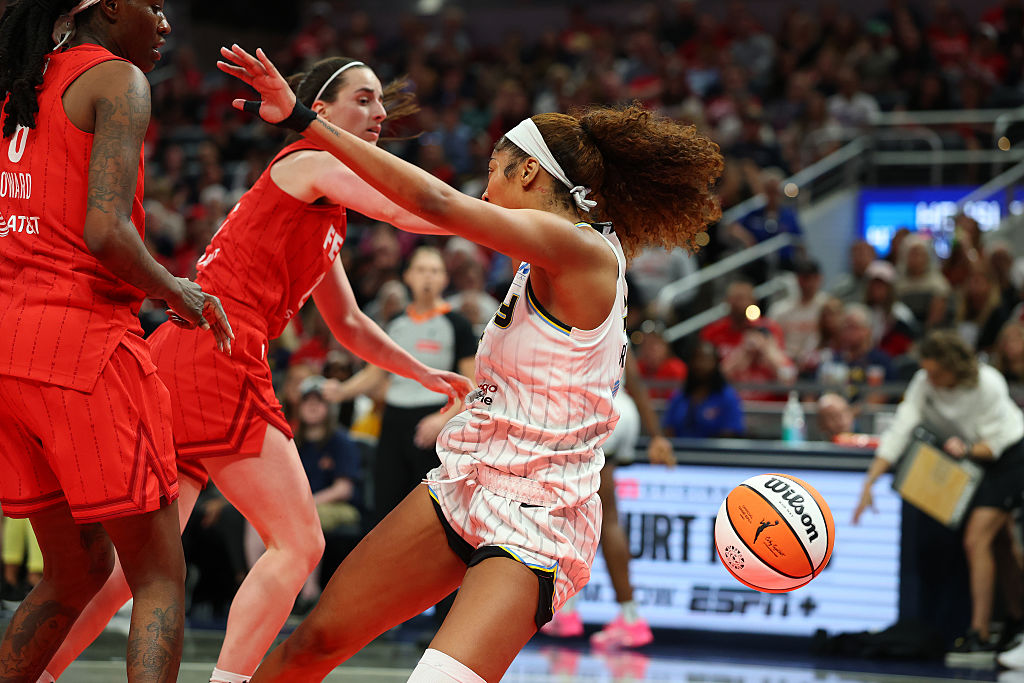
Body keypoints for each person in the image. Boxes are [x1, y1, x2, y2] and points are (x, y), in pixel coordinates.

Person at [217, 44, 722, 682]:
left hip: (538, 520)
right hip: (465, 482)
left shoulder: (582, 251)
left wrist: (306, 124)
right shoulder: (534, 262)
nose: (485, 187)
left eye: (495, 170)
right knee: (312, 644)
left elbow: (444, 208)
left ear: (531, 175)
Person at [42, 54, 473, 683]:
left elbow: (349, 326)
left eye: (382, 101)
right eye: (364, 98)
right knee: (299, 542)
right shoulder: (313, 161)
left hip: (184, 352)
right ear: (318, 111)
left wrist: (425, 374)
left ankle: (36, 672)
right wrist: (520, 224)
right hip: (220, 349)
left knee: (136, 568)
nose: (380, 113)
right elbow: (418, 209)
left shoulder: (321, 203)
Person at [0, 1, 233, 682]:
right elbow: (106, 231)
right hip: (81, 348)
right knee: (159, 574)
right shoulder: (116, 81)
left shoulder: (19, 81)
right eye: (153, 5)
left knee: (75, 574)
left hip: (9, 356)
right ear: (103, 6)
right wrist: (175, 289)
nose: (165, 22)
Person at [853, 331, 1024, 661]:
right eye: (926, 372)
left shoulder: (987, 383)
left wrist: (968, 449)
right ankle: (1017, 621)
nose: (929, 378)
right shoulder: (924, 381)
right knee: (1001, 545)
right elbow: (901, 428)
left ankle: (979, 634)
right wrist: (869, 483)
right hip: (973, 460)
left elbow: (996, 443)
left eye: (935, 372)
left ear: (952, 366)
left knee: (976, 539)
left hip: (1008, 457)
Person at [323, 246, 477, 527]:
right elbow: (376, 373)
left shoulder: (458, 324)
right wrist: (342, 391)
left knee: (431, 514)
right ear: (408, 276)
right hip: (393, 419)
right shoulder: (395, 323)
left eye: (434, 270)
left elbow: (472, 386)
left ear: (444, 279)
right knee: (387, 506)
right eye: (420, 270)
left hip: (435, 421)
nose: (427, 277)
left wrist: (443, 420)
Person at [540, 351, 676, 649]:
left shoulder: (573, 314)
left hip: (594, 414)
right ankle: (588, 612)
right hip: (622, 408)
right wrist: (656, 436)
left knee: (570, 515)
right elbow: (637, 382)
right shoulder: (617, 316)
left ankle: (616, 616)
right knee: (601, 516)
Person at [662, 340, 745, 438]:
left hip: (714, 452)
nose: (700, 364)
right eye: (696, 359)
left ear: (715, 364)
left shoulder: (727, 397)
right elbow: (668, 429)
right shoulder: (679, 396)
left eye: (706, 360)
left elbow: (731, 434)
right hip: (680, 450)